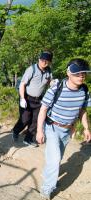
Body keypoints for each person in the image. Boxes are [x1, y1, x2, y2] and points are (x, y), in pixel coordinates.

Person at [36, 58, 91, 199]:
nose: (81, 76)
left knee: (57, 158)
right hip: (52, 127)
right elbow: (43, 109)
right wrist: (39, 131)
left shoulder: (84, 90)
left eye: (83, 73)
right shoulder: (57, 87)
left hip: (68, 130)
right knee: (54, 160)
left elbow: (82, 111)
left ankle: (48, 174)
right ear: (68, 73)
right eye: (77, 73)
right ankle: (46, 189)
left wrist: (86, 128)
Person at [11, 51, 53, 147]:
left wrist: (53, 83)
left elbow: (49, 82)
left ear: (50, 62)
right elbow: (22, 84)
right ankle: (15, 131)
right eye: (42, 60)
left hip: (39, 100)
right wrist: (22, 98)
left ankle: (28, 139)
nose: (44, 62)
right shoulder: (31, 69)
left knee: (35, 120)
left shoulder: (49, 71)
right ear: (39, 59)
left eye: (47, 60)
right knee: (25, 119)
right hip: (27, 98)